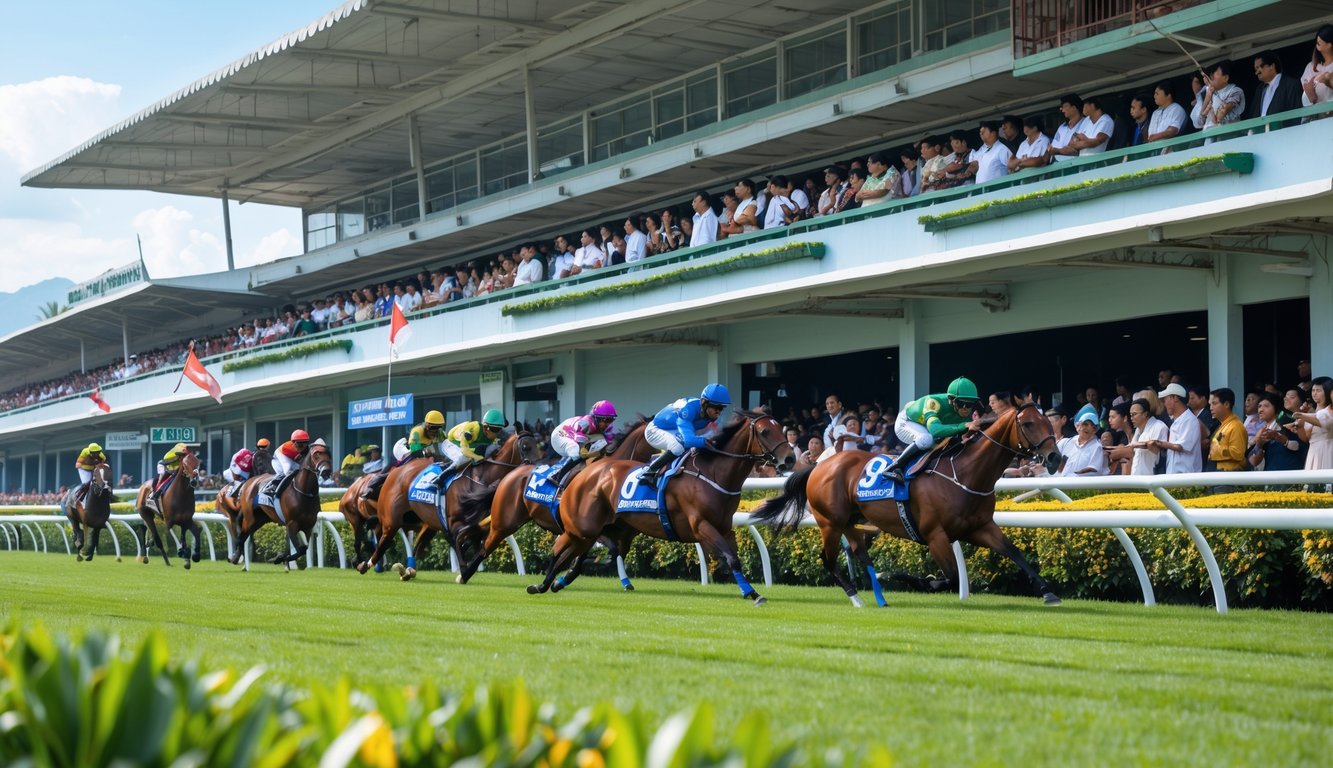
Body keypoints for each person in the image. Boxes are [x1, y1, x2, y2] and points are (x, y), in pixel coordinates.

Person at [883, 377, 985, 483]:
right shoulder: (934, 403)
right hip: (907, 422)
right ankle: (894, 467)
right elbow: (935, 430)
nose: (965, 408)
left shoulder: (967, 411)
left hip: (927, 425)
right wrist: (964, 425)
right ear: (952, 400)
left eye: (970, 404)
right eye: (961, 403)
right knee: (926, 439)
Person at [641, 383, 731, 489]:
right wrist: (705, 442)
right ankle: (649, 472)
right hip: (655, 430)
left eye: (721, 408)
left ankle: (669, 469)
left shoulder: (706, 417)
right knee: (678, 446)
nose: (718, 412)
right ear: (704, 403)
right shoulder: (688, 410)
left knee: (690, 449)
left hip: (672, 430)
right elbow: (688, 440)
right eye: (717, 407)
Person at [361, 411, 447, 500]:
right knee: (402, 468)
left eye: (439, 427)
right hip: (403, 449)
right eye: (433, 427)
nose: (436, 430)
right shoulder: (417, 431)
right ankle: (371, 486)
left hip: (422, 450)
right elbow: (416, 452)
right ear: (427, 425)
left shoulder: (440, 433)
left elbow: (447, 446)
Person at [548, 400, 619, 490]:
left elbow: (610, 445)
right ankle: (557, 476)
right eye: (604, 420)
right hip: (560, 435)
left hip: (574, 435)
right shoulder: (586, 423)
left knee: (602, 444)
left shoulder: (609, 427)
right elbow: (581, 447)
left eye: (611, 420)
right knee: (576, 452)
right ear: (596, 418)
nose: (607, 424)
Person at [436, 409, 510, 488]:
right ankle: (438, 479)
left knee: (493, 448)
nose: (496, 433)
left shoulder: (496, 433)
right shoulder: (472, 430)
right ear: (485, 427)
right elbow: (464, 451)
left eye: (499, 430)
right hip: (450, 444)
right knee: (464, 459)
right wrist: (478, 457)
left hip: (469, 446)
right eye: (494, 429)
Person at [1207, 388, 1247, 473]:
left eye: (1214, 403)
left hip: (1229, 475)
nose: (1211, 408)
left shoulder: (1236, 426)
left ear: (1226, 404)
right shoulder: (1223, 425)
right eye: (1210, 404)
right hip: (1218, 472)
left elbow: (1238, 453)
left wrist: (1218, 449)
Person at [263, 430, 311, 496]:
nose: (302, 446)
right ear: (294, 443)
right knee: (287, 469)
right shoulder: (287, 447)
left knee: (300, 469)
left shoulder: (307, 449)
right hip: (279, 457)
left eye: (305, 443)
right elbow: (290, 461)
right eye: (299, 444)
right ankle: (272, 486)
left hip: (290, 458)